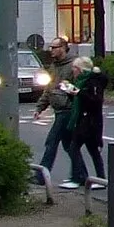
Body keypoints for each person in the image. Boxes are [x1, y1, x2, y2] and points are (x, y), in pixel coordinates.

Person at [32, 63, 79, 197]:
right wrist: (39, 107)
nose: (52, 50)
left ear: (63, 49)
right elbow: (49, 90)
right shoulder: (54, 67)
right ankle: (81, 174)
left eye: (55, 47)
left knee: (51, 142)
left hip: (66, 110)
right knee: (69, 145)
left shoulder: (71, 66)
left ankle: (41, 176)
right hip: (59, 111)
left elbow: (78, 89)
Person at [67, 56, 108, 188]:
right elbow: (78, 100)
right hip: (84, 119)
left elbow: (95, 101)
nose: (73, 71)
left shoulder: (92, 82)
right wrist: (70, 92)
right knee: (92, 150)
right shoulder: (81, 82)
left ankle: (80, 177)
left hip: (89, 121)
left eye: (74, 68)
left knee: (74, 148)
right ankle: (101, 178)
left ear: (80, 69)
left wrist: (78, 93)